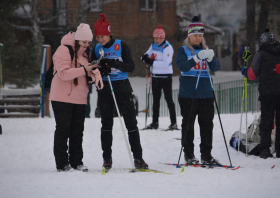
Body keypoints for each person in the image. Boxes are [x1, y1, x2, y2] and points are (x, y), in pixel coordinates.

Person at [91, 14, 148, 169]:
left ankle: (138, 158)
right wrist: (100, 69)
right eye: (97, 36)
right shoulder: (96, 48)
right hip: (105, 90)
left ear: (109, 33)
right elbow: (91, 68)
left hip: (122, 88)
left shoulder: (121, 45)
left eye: (102, 36)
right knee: (106, 125)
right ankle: (107, 159)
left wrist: (115, 63)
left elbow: (131, 66)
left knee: (131, 123)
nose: (100, 39)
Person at [50, 23, 104, 172]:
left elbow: (86, 75)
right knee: (63, 130)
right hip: (62, 97)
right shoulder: (63, 50)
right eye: (84, 42)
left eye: (88, 42)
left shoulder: (85, 54)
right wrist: (84, 69)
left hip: (80, 98)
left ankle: (77, 161)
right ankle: (62, 163)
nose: (87, 45)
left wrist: (95, 74)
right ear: (77, 40)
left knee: (77, 131)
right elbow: (63, 74)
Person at [175, 16, 220, 165]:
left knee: (207, 124)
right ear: (189, 36)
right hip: (188, 93)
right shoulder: (183, 50)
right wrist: (196, 58)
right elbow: (182, 67)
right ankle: (189, 153)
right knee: (188, 123)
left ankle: (206, 154)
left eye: (200, 36)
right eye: (195, 35)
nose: (198, 38)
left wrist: (210, 59)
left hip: (206, 93)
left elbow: (215, 68)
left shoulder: (207, 50)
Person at [241, 28, 280, 159]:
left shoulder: (261, 54)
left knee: (266, 121)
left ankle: (265, 149)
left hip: (267, 94)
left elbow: (252, 75)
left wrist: (245, 72)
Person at [141, 25, 177, 130]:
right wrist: (144, 58)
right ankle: (154, 123)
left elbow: (166, 63)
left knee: (168, 99)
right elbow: (146, 55)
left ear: (162, 37)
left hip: (166, 76)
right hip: (156, 76)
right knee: (155, 100)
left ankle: (173, 123)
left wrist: (152, 62)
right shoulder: (153, 45)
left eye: (157, 38)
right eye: (154, 38)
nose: (156, 40)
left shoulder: (167, 47)